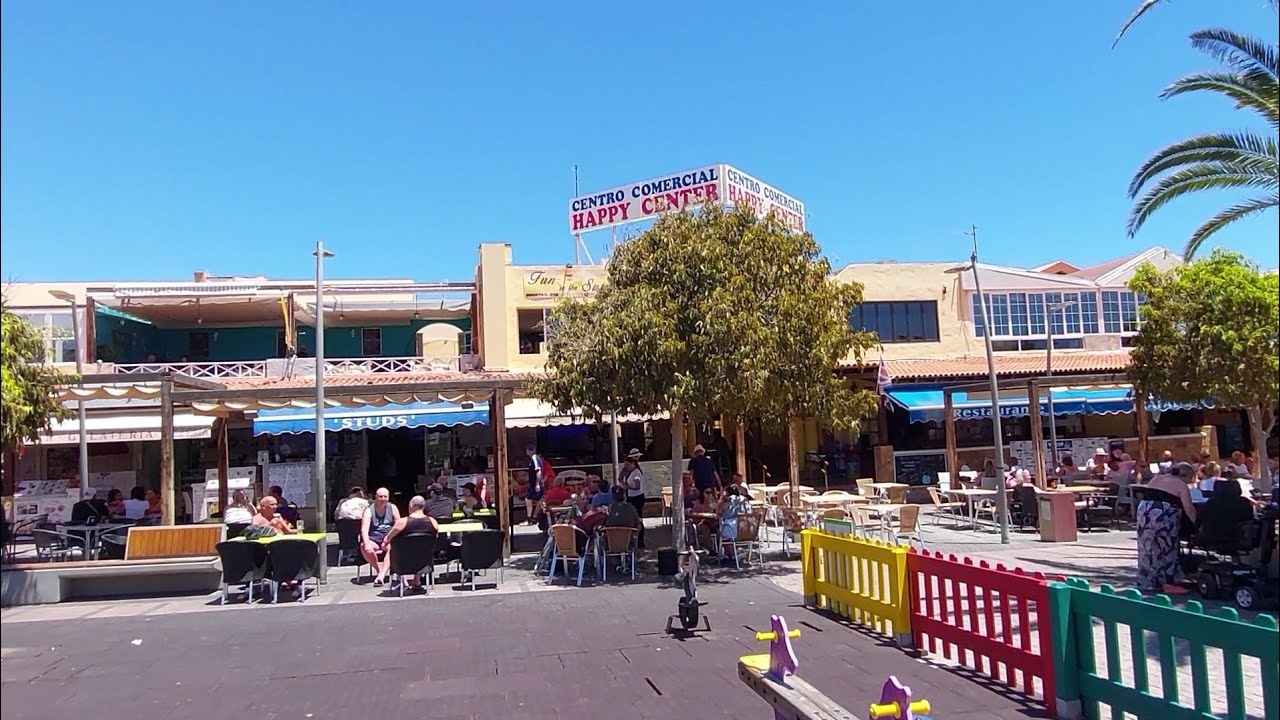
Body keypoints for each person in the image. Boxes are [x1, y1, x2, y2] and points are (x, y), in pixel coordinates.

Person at [1135, 462, 1197, 594]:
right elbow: (1189, 509)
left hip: (1144, 512)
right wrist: (1197, 525)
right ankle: (1168, 583)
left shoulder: (1156, 478)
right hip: (1163, 515)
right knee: (1167, 549)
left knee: (1147, 548)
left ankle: (1146, 581)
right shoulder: (1181, 485)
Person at [380, 495, 439, 591]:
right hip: (424, 560)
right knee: (421, 550)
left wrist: (384, 543)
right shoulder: (433, 522)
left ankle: (401, 581)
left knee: (393, 548)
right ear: (423, 506)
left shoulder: (402, 522)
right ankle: (417, 581)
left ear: (411, 505)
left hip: (402, 560)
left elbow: (388, 539)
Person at [1196, 479, 1256, 551]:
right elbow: (1249, 518)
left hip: (1212, 536)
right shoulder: (1244, 502)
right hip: (1237, 536)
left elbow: (1199, 521)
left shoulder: (1210, 503)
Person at [361, 487, 400, 585]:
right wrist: (366, 543)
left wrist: (388, 539)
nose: (383, 499)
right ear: (376, 497)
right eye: (380, 496)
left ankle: (382, 575)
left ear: (388, 497)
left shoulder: (393, 508)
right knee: (364, 547)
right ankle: (378, 570)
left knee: (393, 547)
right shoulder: (369, 510)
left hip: (389, 537)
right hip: (374, 538)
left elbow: (398, 525)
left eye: (385, 496)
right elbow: (364, 529)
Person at [620, 449, 647, 548]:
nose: (626, 467)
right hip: (632, 497)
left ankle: (640, 541)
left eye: (628, 465)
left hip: (637, 498)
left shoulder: (636, 473)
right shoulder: (630, 473)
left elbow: (637, 486)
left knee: (638, 519)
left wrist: (627, 487)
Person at [716, 485, 753, 553]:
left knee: (719, 532)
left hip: (733, 531)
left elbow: (718, 513)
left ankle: (731, 554)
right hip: (748, 530)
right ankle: (733, 553)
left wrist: (722, 497)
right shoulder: (744, 499)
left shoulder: (727, 500)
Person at [524, 444, 546, 525]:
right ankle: (534, 517)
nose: (526, 452)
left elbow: (538, 471)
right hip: (536, 483)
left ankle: (530, 518)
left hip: (535, 484)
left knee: (528, 499)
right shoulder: (536, 458)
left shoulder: (534, 458)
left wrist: (537, 483)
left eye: (527, 450)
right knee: (539, 499)